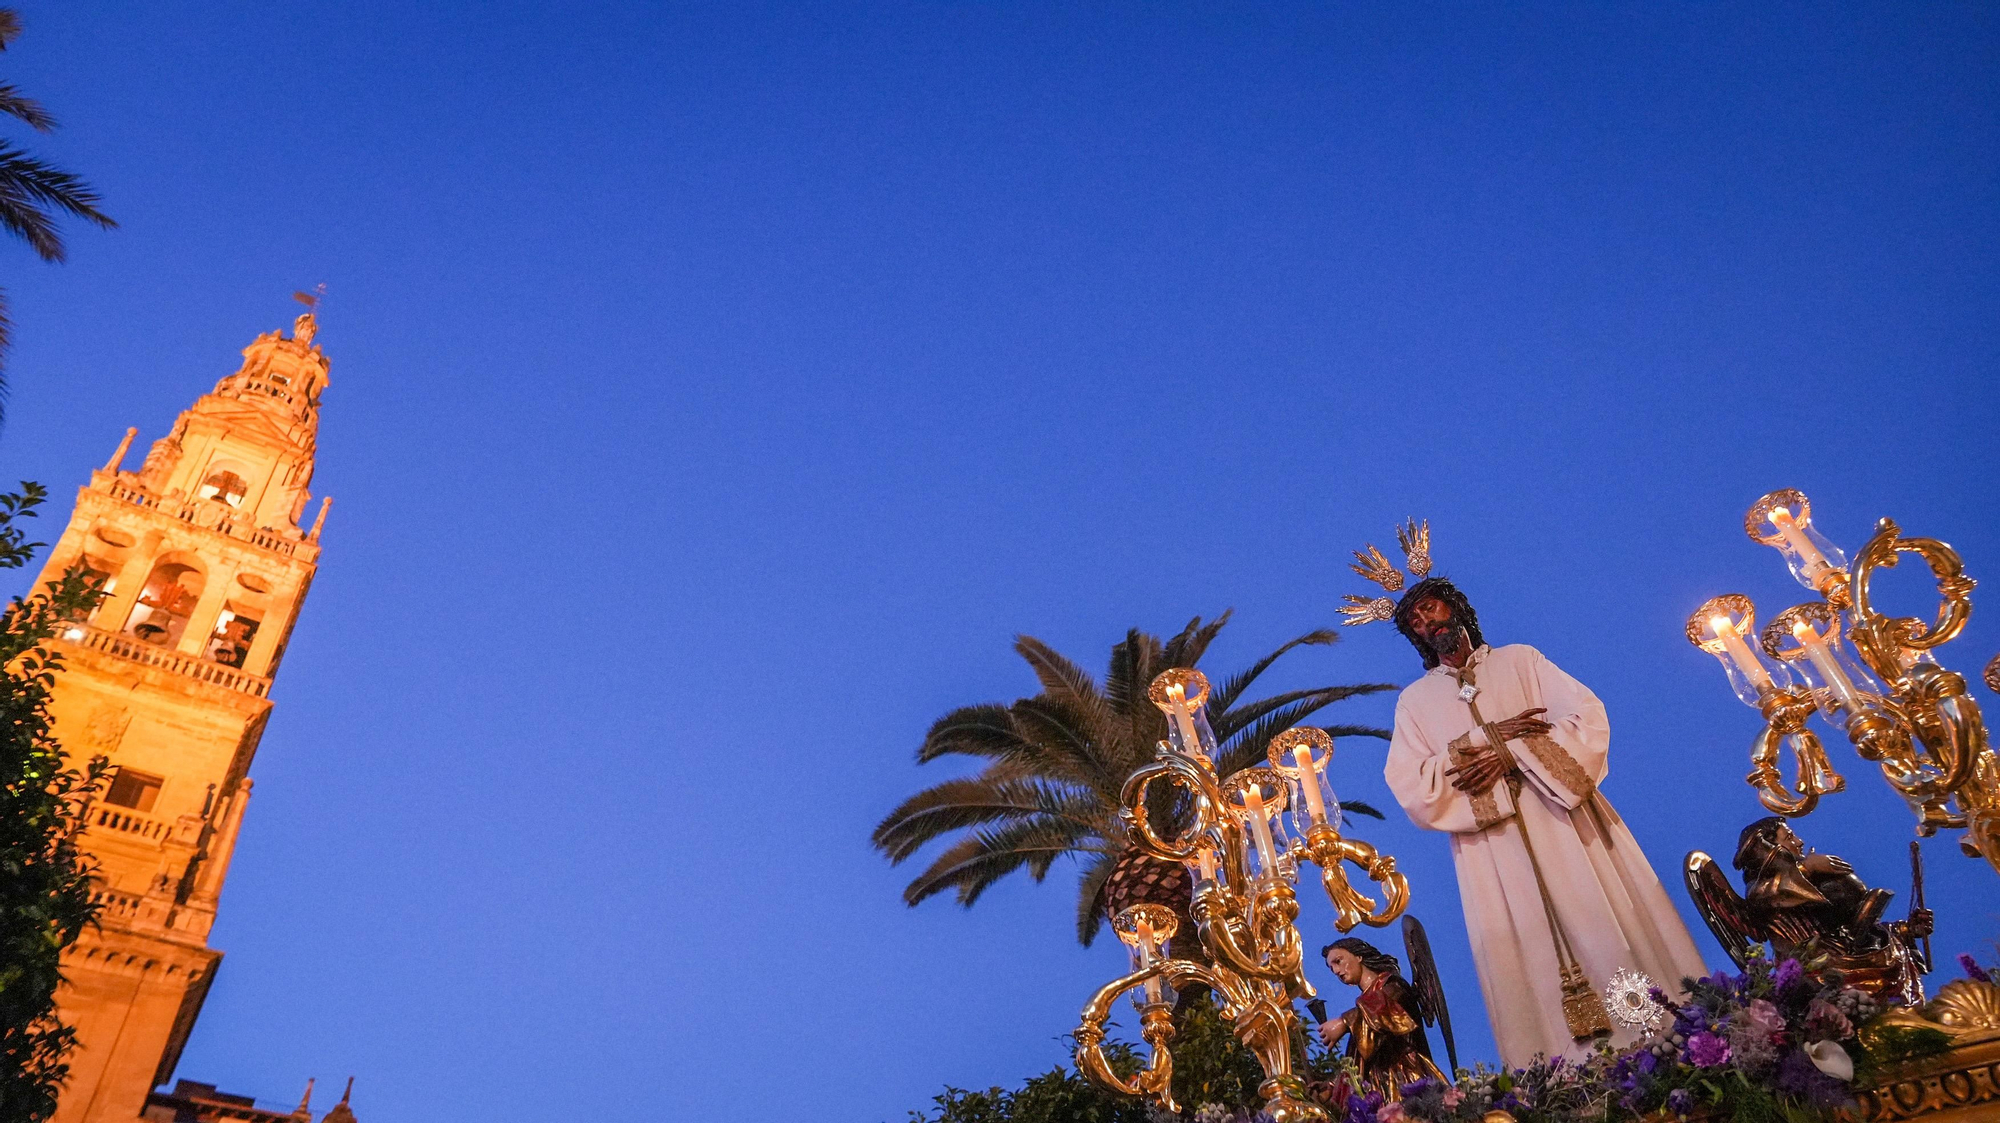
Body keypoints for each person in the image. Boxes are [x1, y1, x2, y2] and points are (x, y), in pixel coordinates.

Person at [1343, 525, 1706, 1066]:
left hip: (1564, 819)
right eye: (1416, 624)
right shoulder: (1416, 703)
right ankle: (1563, 1074)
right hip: (1494, 850)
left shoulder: (1520, 661)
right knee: (1523, 948)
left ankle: (1660, 1045)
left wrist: (1518, 754)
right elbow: (1411, 782)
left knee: (1600, 919)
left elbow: (1587, 717)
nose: (1429, 626)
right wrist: (1486, 741)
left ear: (1458, 609)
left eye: (1434, 610)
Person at [1313, 937, 1445, 1098]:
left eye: (1338, 961)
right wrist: (1331, 1087)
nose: (1336, 971)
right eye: (1331, 968)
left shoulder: (1393, 986)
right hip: (1376, 1090)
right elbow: (1356, 1059)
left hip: (1404, 1080)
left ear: (1358, 956)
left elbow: (1383, 1012)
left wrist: (1344, 1022)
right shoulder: (1363, 1008)